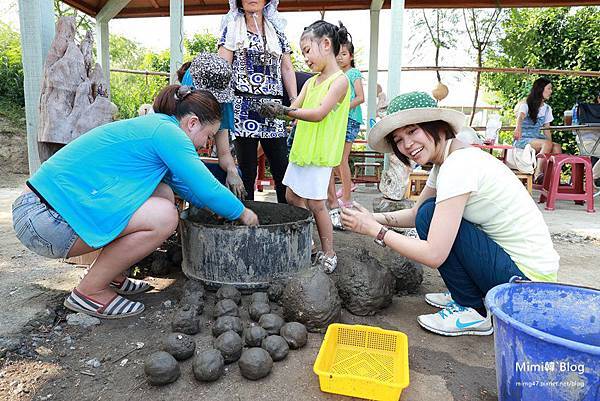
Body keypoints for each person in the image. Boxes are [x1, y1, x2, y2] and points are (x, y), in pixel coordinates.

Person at [12, 85, 259, 319]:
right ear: (192, 123)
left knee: (162, 193)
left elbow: (189, 188)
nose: (206, 144)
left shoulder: (157, 129)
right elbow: (207, 187)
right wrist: (243, 213)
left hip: (40, 214)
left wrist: (216, 210)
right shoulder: (167, 133)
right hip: (45, 219)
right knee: (164, 216)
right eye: (209, 136)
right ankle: (90, 292)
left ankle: (111, 275)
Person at [341, 91, 559, 337]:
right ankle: (468, 292)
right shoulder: (448, 159)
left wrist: (375, 231)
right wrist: (370, 218)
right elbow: (415, 215)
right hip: (518, 273)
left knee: (430, 216)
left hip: (525, 286)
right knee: (426, 213)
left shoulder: (458, 165)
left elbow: (434, 254)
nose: (407, 145)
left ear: (439, 127)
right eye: (399, 139)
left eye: (413, 131)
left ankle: (473, 310)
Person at [257, 20, 351, 274]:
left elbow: (319, 113)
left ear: (326, 44)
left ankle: (329, 252)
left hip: (320, 154)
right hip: (302, 151)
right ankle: (307, 243)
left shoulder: (339, 82)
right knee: (291, 196)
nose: (305, 58)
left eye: (307, 51)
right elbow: (294, 108)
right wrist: (276, 110)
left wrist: (287, 111)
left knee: (317, 203)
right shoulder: (311, 82)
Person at [218, 0, 297, 203]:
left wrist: (294, 102)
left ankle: (285, 221)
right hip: (242, 107)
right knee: (247, 170)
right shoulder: (231, 29)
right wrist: (218, 107)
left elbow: (287, 69)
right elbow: (223, 67)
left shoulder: (277, 32)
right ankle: (246, 220)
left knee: (281, 167)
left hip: (274, 108)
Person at [177, 55, 245, 198]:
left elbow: (224, 153)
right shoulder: (182, 102)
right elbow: (182, 160)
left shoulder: (223, 105)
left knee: (235, 174)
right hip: (178, 163)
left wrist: (232, 171)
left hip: (194, 165)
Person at [327, 36, 364, 230]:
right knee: (335, 159)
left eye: (344, 54)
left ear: (350, 56)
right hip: (340, 119)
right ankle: (346, 189)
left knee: (341, 159)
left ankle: (347, 199)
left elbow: (361, 98)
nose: (340, 58)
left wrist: (343, 109)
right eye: (338, 54)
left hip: (350, 119)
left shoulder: (353, 73)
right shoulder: (336, 75)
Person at [514, 77, 562, 182]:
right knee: (547, 144)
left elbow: (546, 129)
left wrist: (550, 142)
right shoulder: (526, 104)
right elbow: (520, 116)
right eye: (549, 88)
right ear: (540, 89)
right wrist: (518, 128)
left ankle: (554, 179)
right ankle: (538, 174)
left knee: (556, 146)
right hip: (524, 137)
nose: (551, 91)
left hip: (536, 137)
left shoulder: (547, 108)